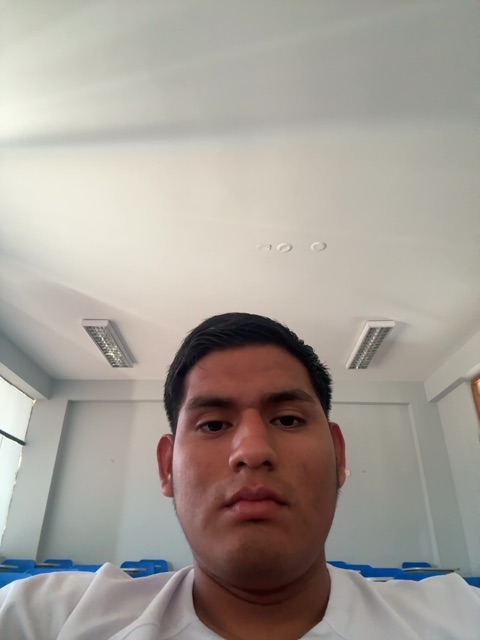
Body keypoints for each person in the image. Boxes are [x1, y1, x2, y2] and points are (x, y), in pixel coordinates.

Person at [0, 312, 478, 639]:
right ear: (167, 467)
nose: (252, 451)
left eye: (287, 419)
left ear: (338, 455)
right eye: (212, 425)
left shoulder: (456, 616)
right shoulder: (46, 617)